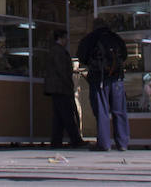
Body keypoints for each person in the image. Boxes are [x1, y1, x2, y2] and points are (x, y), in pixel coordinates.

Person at [76, 16, 128, 151]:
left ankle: (104, 143)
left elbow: (82, 56)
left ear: (94, 26)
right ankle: (122, 143)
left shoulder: (90, 38)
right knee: (119, 111)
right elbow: (125, 54)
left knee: (102, 111)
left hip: (99, 79)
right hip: (117, 79)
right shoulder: (115, 37)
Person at [43, 29, 86, 149]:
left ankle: (56, 141)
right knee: (67, 114)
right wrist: (69, 84)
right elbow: (62, 70)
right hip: (61, 87)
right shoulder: (59, 52)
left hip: (56, 88)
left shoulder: (55, 51)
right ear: (61, 38)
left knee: (59, 116)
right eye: (66, 38)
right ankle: (75, 139)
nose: (67, 40)